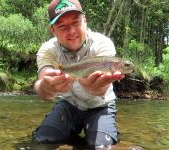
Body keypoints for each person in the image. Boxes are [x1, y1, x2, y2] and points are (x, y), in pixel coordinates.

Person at [33, 0, 125, 148]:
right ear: (52, 30)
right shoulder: (47, 50)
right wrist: (45, 87)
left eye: (76, 23)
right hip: (68, 105)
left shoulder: (103, 43)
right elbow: (43, 87)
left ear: (85, 21)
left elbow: (100, 88)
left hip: (101, 105)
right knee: (44, 140)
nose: (71, 31)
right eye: (62, 26)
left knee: (100, 146)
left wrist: (95, 88)